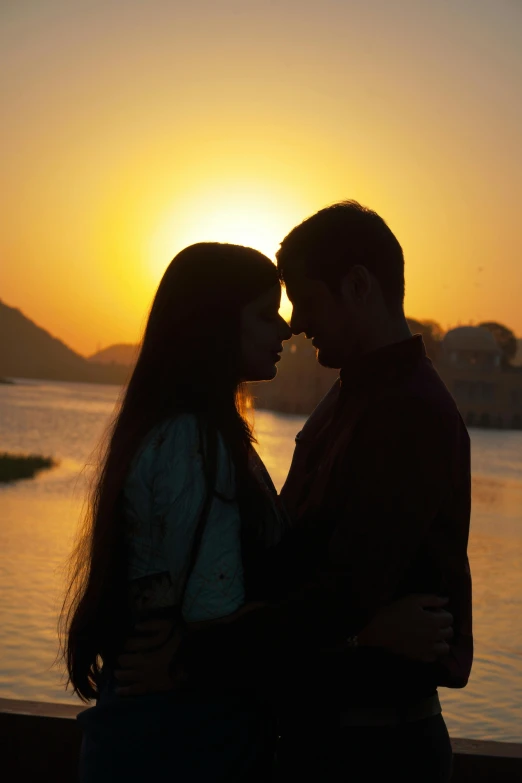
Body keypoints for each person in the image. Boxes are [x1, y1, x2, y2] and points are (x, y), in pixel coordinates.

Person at [63, 240, 450, 783]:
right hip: (177, 744)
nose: (288, 328)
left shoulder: (211, 435)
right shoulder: (190, 441)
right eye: (268, 313)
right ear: (218, 325)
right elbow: (216, 622)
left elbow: (247, 600)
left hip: (189, 735)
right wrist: (367, 633)